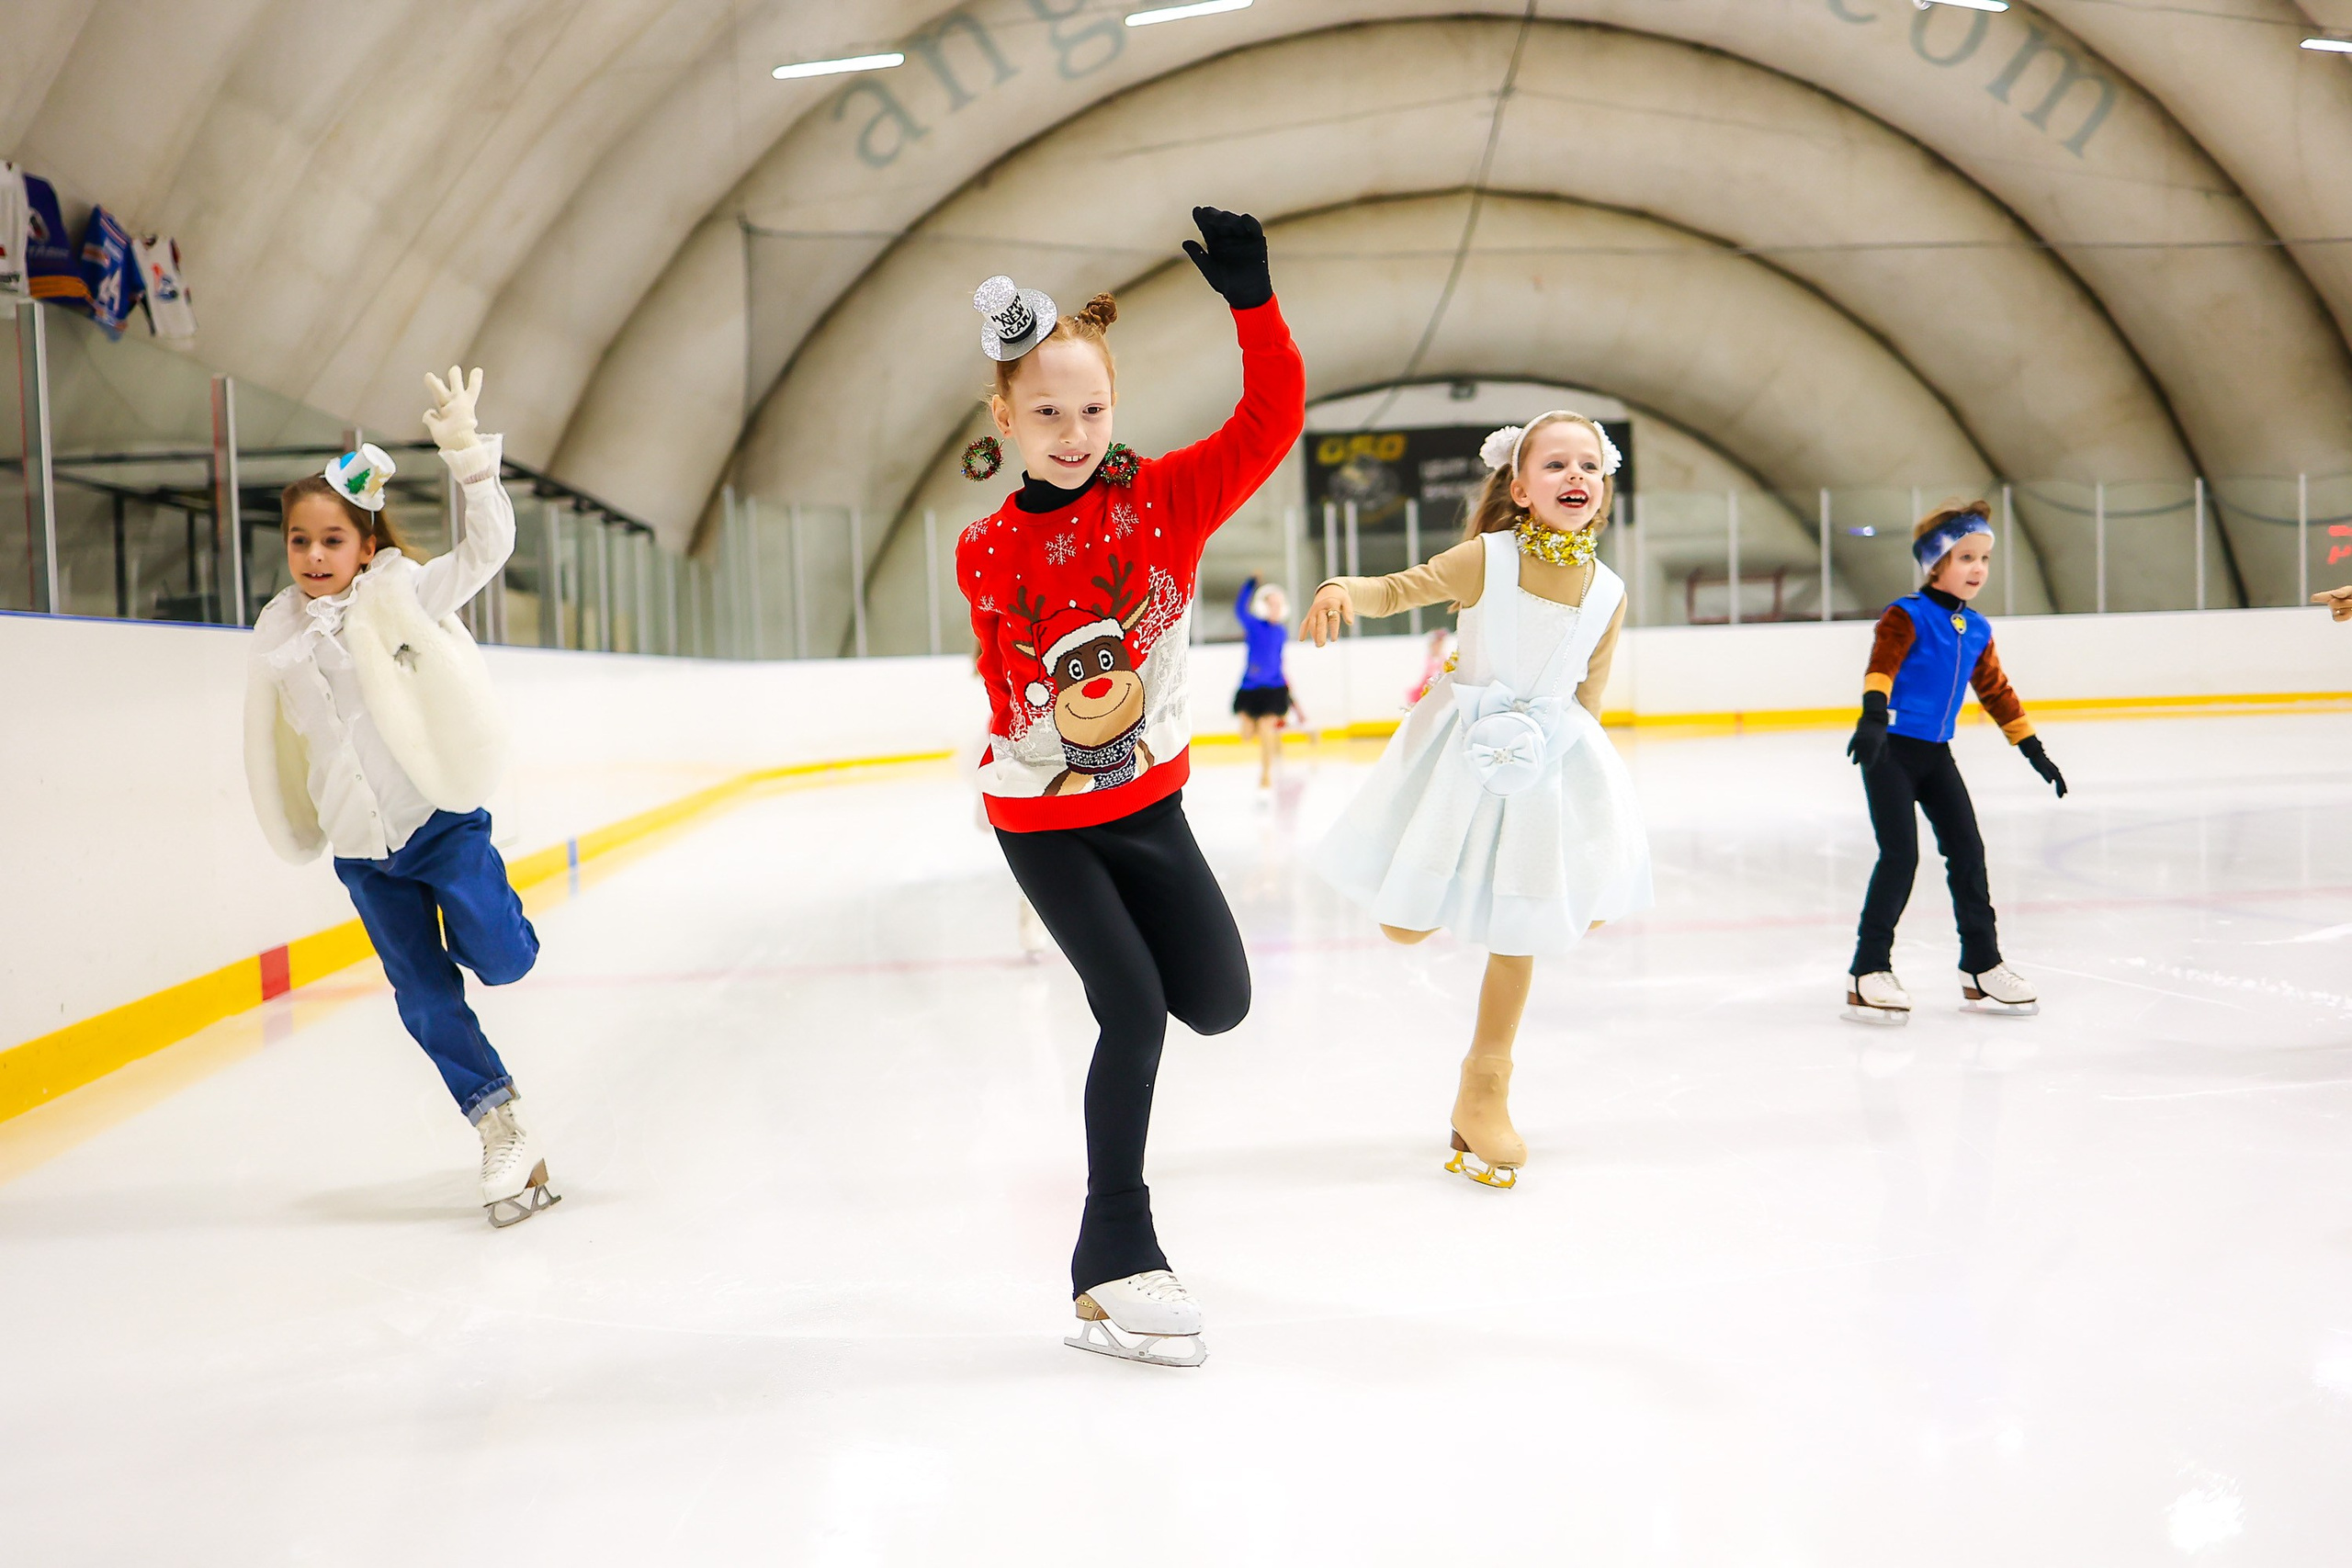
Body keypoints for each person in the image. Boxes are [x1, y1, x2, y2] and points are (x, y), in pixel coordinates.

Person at [956, 208, 1306, 1366]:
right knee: (1134, 1008)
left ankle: (1111, 1253)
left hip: (1149, 807)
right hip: (1041, 821)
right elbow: (1002, 673)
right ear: (1003, 419)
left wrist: (1252, 307)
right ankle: (1112, 1253)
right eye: (1045, 412)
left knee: (1219, 1002)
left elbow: (1271, 420)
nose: (1070, 430)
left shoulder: (1165, 500)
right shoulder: (984, 546)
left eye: (1090, 409)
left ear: (1115, 409)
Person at [243, 367, 559, 1228]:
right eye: (300, 541)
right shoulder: (276, 631)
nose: (314, 556)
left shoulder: (400, 594)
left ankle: (504, 933)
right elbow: (280, 739)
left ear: (366, 545)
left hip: (440, 823)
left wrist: (466, 455)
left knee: (504, 959)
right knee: (422, 998)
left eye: (332, 540)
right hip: (361, 851)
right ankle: (499, 1120)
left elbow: (488, 550)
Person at [1305, 412, 1652, 1189]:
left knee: (1522, 924)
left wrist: (1579, 808)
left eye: (1589, 467)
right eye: (1556, 465)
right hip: (1461, 751)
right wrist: (1341, 587)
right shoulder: (1487, 558)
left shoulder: (1610, 592)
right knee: (1402, 924)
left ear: (1604, 489)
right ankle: (1430, 896)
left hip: (1546, 765)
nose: (1575, 477)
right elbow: (1401, 588)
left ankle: (1483, 1090)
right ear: (1521, 488)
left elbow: (1587, 697)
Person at [1843, 502, 2067, 1025]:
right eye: (1966, 556)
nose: (1978, 569)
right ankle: (1867, 969)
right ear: (1934, 563)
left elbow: (1997, 692)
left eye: (1985, 558)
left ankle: (1981, 965)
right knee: (1900, 856)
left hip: (1935, 755)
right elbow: (1883, 664)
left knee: (1968, 853)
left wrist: (2033, 749)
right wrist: (1873, 717)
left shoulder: (1978, 628)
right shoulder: (1907, 615)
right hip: (1891, 751)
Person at [1232, 576, 1296, 788]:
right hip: (1250, 688)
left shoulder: (1281, 631)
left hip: (1274, 688)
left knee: (1266, 727)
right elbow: (1240, 609)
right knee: (1247, 734)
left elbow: (1278, 661)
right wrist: (1250, 584)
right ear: (1263, 606)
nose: (1275, 608)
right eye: (1271, 604)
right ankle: (1271, 736)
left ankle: (1266, 774)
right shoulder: (1254, 626)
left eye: (1278, 604)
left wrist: (1288, 689)